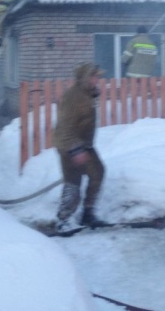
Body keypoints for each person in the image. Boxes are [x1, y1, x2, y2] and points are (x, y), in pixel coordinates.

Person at [53, 62, 107, 231]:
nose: (97, 79)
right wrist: (75, 150)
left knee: (98, 172)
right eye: (94, 76)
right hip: (69, 145)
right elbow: (65, 126)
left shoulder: (87, 94)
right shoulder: (72, 97)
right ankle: (63, 221)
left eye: (98, 76)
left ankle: (88, 214)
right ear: (85, 78)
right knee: (73, 181)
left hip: (84, 145)